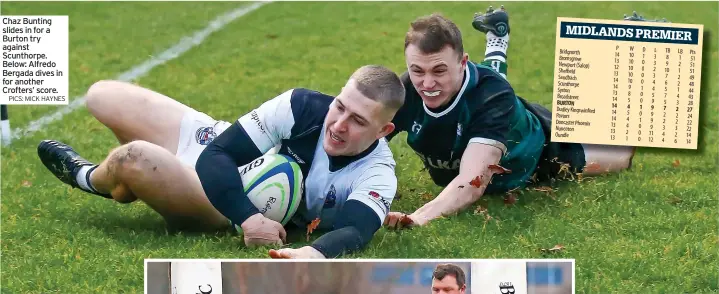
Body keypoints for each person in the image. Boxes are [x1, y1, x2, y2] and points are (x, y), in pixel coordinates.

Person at [37, 64, 406, 259]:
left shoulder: (377, 172)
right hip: (224, 166)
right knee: (103, 95)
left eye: (358, 121)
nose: (338, 125)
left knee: (135, 157)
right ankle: (144, 181)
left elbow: (357, 231)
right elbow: (217, 154)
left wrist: (311, 252)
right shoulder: (303, 106)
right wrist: (251, 219)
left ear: (383, 130)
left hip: (218, 202)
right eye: (340, 106)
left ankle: (88, 177)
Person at [383, 8, 636, 229]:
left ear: (462, 62)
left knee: (621, 154)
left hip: (543, 150)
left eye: (439, 70)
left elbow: (472, 182)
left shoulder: (492, 96)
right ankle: (497, 34)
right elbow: (364, 140)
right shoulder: (405, 91)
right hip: (496, 109)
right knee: (488, 82)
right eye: (417, 70)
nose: (426, 83)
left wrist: (418, 217)